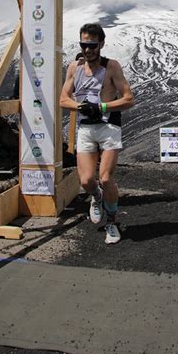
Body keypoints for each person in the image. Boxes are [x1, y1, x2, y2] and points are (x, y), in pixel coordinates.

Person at [59, 23, 134, 244]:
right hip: (86, 127)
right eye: (84, 45)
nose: (88, 49)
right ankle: (96, 197)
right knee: (86, 180)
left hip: (109, 126)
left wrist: (102, 107)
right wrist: (81, 107)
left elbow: (129, 99)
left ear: (101, 44)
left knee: (106, 177)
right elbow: (63, 99)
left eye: (92, 45)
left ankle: (111, 222)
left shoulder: (111, 67)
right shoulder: (74, 68)